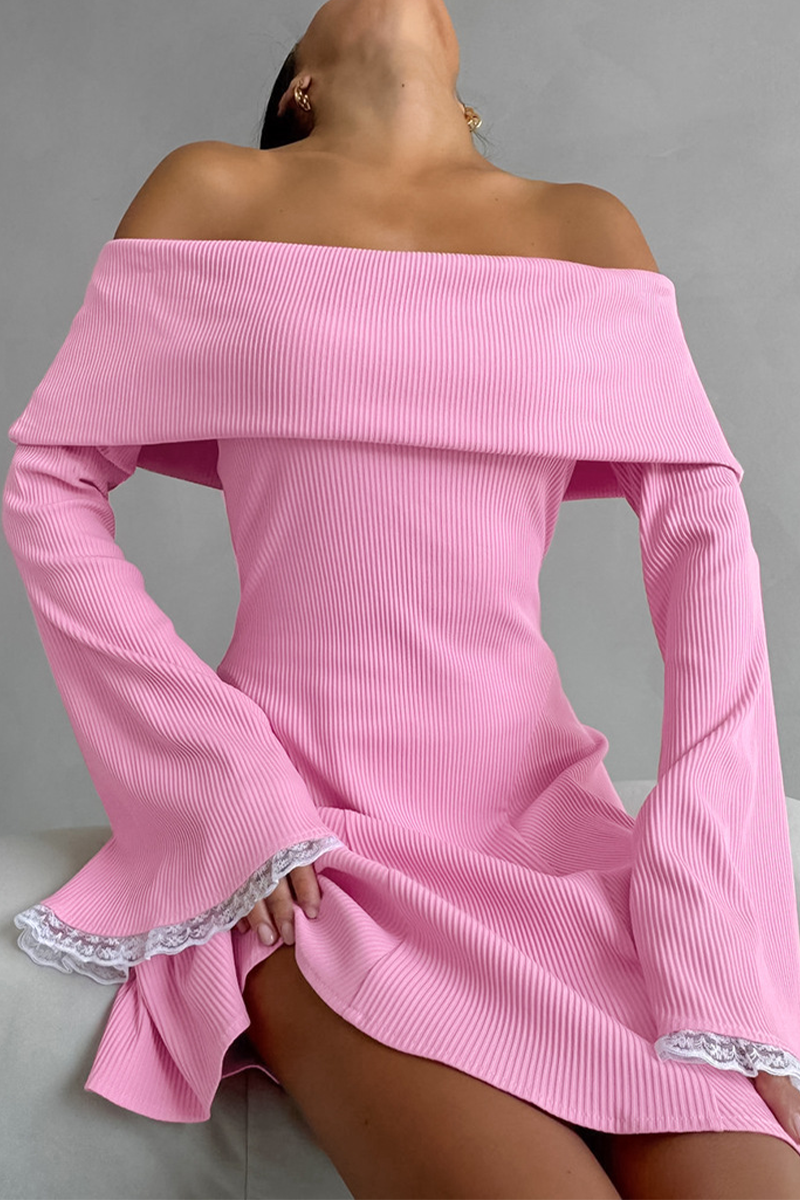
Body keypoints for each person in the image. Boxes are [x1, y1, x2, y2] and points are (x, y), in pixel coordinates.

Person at [5, 2, 800, 1197]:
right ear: (300, 90)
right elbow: (49, 483)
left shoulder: (581, 225)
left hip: (550, 838)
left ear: (469, 95)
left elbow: (708, 560)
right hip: (316, 849)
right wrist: (226, 787)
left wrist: (719, 935)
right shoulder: (215, 190)